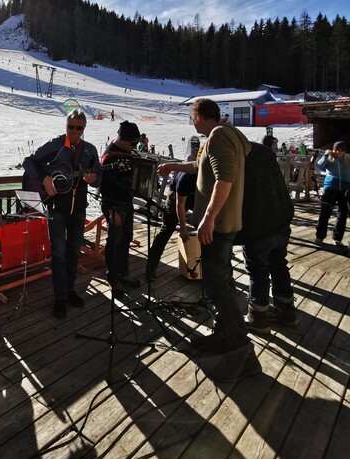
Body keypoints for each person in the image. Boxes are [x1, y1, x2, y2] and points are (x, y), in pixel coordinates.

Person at [157, 98, 261, 382]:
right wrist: (174, 166)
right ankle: (223, 337)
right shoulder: (224, 136)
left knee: (217, 285)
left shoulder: (218, 137)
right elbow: (201, 166)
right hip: (223, 222)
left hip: (218, 225)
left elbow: (224, 179)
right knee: (220, 281)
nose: (192, 122)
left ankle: (242, 351)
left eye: (193, 117)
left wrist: (209, 217)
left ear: (200, 116)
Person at [23, 110, 101, 319]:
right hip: (56, 208)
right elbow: (29, 162)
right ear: (66, 126)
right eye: (70, 126)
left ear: (84, 128)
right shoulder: (55, 145)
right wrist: (45, 178)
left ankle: (70, 290)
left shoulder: (90, 150)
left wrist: (94, 179)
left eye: (78, 128)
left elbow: (99, 177)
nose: (74, 131)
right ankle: (60, 298)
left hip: (79, 210)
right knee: (58, 254)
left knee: (74, 252)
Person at [236, 143, 297, 331]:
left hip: (258, 224)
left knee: (258, 270)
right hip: (280, 218)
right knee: (279, 264)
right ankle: (287, 312)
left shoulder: (238, 157)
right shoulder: (262, 151)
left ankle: (258, 317)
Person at [100, 121, 143, 297]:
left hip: (126, 202)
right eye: (132, 143)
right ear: (123, 139)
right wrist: (112, 210)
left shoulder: (127, 153)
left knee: (126, 238)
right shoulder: (110, 157)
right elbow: (104, 188)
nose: (134, 147)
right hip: (114, 205)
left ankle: (123, 273)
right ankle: (113, 278)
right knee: (114, 241)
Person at [148, 144, 198, 279]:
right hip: (177, 195)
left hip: (197, 195)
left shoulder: (211, 173)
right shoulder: (186, 177)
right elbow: (180, 205)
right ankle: (151, 268)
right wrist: (183, 228)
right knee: (167, 228)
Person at [314, 141, 350, 250]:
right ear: (333, 149)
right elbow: (318, 167)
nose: (338, 152)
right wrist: (325, 156)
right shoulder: (329, 158)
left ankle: (337, 238)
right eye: (336, 150)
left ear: (344, 151)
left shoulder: (348, 159)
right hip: (330, 188)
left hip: (345, 189)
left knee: (343, 213)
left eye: (341, 150)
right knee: (325, 213)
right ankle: (320, 237)